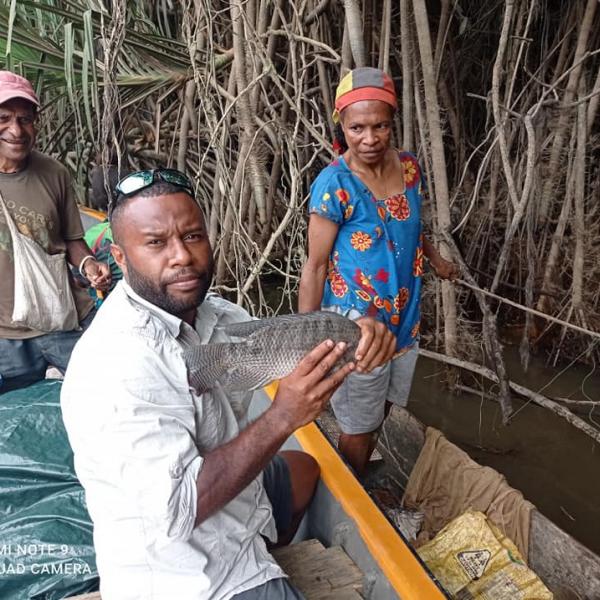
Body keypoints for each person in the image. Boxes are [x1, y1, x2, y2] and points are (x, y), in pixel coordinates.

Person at [61, 168, 395, 600]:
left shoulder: (214, 315)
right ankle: (262, 575)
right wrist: (282, 417)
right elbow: (177, 513)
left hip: (228, 500)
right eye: (156, 243)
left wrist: (362, 331)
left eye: (193, 236)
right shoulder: (116, 364)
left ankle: (267, 545)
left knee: (304, 469)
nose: (181, 256)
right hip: (184, 573)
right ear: (121, 259)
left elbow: (293, 338)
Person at [298, 67, 458, 476]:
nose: (369, 139)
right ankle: (351, 498)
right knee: (357, 423)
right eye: (357, 128)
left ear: (392, 123)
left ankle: (360, 467)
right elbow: (315, 266)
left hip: (404, 317)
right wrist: (305, 338)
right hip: (359, 325)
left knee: (387, 403)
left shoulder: (408, 168)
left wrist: (436, 260)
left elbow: (409, 224)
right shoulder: (334, 184)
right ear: (342, 125)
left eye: (380, 126)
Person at [0, 71, 111, 393]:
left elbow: (72, 240)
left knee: (103, 392)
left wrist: (90, 266)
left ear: (36, 122)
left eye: (25, 119)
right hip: (5, 336)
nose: (15, 130)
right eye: (4, 118)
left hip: (63, 318)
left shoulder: (53, 173)